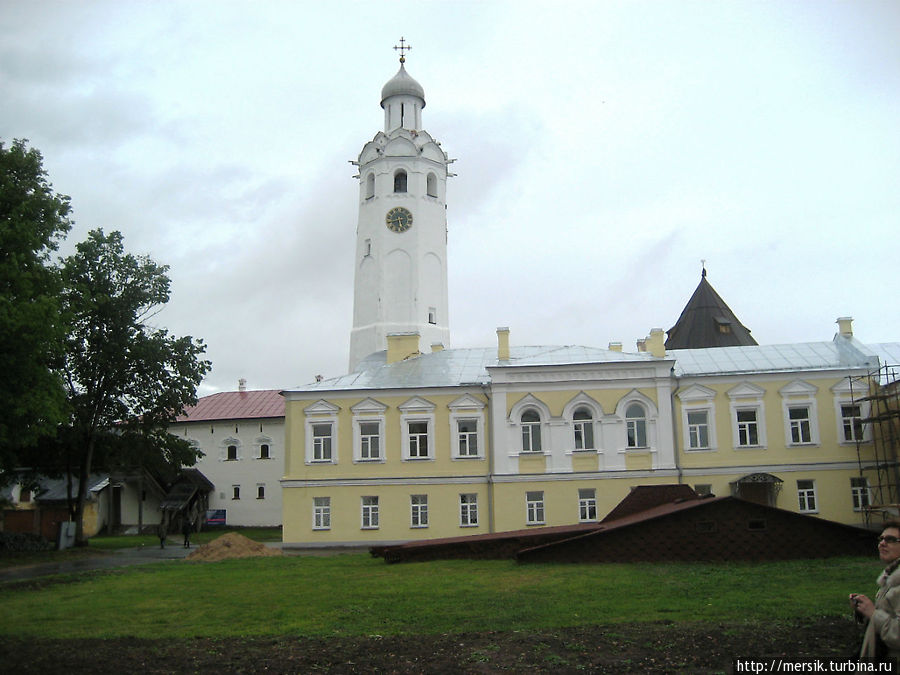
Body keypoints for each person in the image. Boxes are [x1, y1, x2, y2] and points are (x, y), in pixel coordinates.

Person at [850, 520, 900, 660]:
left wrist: (873, 613)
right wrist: (864, 610)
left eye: (891, 540)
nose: (882, 543)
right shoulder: (891, 578)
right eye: (881, 538)